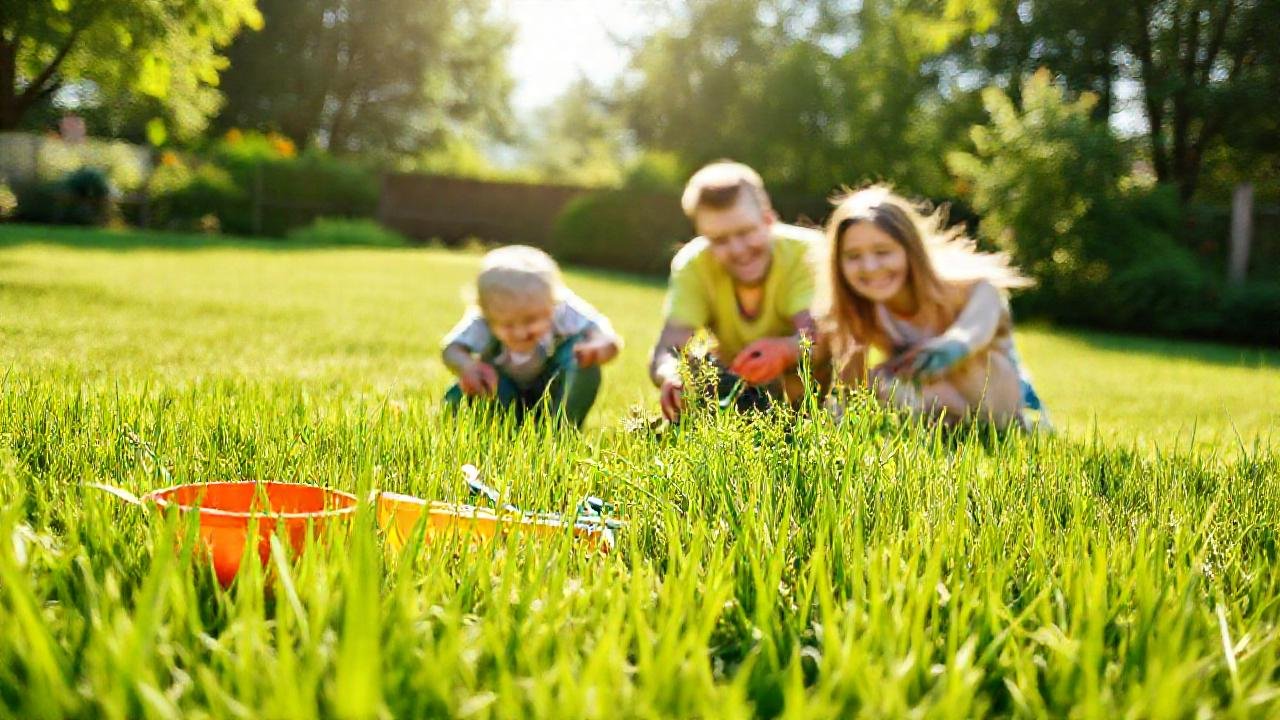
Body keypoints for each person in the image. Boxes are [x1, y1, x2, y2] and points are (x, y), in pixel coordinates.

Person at [816, 185, 1046, 428]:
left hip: (1008, 401)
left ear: (910, 250)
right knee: (883, 379)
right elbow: (850, 389)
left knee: (969, 364)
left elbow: (972, 333)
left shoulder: (970, 289)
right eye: (853, 256)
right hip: (940, 403)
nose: (870, 267)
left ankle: (1003, 430)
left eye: (883, 252)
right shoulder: (859, 310)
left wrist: (947, 349)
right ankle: (946, 430)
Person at [649, 161, 825, 421]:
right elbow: (667, 348)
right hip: (737, 381)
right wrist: (672, 374)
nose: (738, 249)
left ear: (768, 220)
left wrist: (786, 350)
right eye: (719, 240)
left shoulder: (807, 252)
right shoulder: (693, 264)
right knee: (700, 367)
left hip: (809, 385)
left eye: (745, 232)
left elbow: (819, 342)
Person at [442, 245, 621, 427]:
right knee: (460, 393)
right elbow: (451, 349)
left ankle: (563, 430)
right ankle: (497, 430)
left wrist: (598, 348)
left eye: (531, 319)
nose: (521, 332)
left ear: (552, 303)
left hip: (551, 391)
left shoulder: (563, 309)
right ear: (486, 314)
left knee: (582, 356)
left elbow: (605, 335)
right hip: (500, 393)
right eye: (508, 324)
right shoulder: (482, 320)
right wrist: (467, 366)